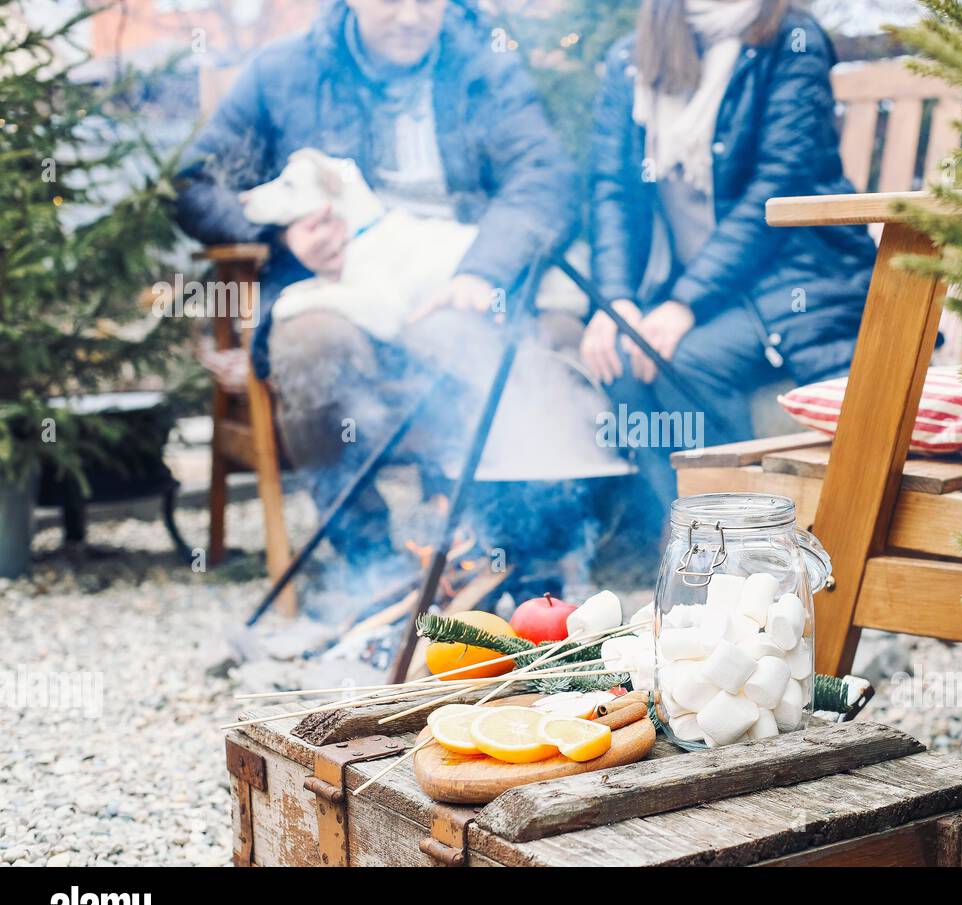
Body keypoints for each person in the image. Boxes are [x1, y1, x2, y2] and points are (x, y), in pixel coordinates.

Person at [175, 0, 580, 568]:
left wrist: (481, 271)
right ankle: (367, 561)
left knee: (463, 342)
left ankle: (471, 544)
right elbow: (196, 184)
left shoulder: (483, 69)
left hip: (447, 283)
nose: (411, 15)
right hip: (327, 290)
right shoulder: (285, 72)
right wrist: (278, 233)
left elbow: (544, 177)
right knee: (313, 348)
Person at [584, 0, 877, 514]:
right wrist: (616, 300)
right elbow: (612, 188)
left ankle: (739, 537)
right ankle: (679, 529)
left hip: (800, 281)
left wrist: (685, 303)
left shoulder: (790, 40)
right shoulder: (632, 58)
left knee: (691, 361)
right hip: (698, 288)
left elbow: (779, 188)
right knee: (621, 359)